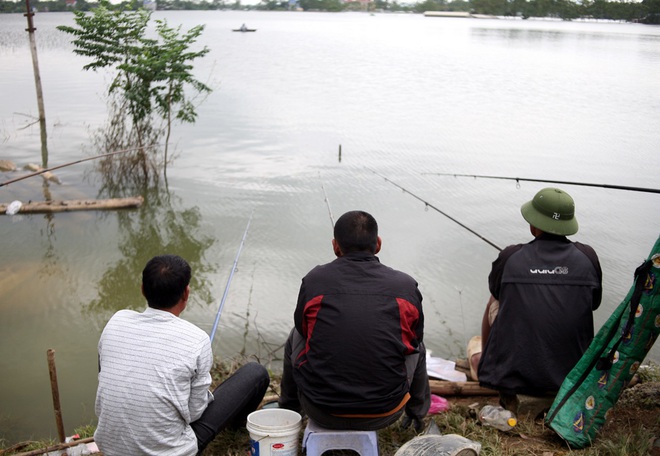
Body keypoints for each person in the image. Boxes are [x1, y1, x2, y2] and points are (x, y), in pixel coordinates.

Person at [94, 254, 270, 455]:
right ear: (186, 293)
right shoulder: (197, 339)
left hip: (111, 448)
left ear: (142, 289)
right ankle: (236, 428)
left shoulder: (116, 321)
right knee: (255, 373)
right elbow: (195, 414)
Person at [279, 210, 430, 431]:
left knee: (296, 334)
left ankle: (289, 411)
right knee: (418, 346)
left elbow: (303, 328)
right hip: (385, 411)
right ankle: (416, 416)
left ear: (335, 246)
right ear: (378, 244)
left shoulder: (315, 280)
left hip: (321, 409)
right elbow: (415, 338)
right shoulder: (405, 286)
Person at [474, 187, 602, 405]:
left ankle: (490, 366)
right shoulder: (588, 257)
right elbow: (594, 303)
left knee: (494, 300)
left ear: (533, 226)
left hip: (512, 377)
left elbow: (497, 294)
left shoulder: (510, 256)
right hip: (570, 377)